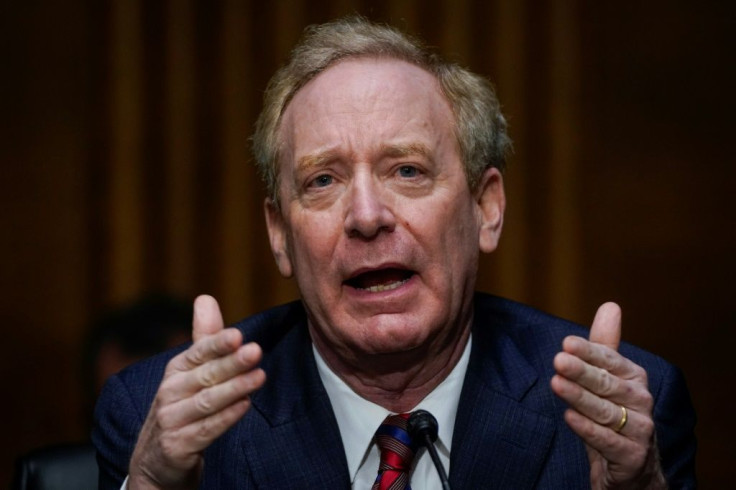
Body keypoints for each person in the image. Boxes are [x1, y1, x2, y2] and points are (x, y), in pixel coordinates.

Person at [93, 17, 696, 489]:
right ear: (279, 234)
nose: (366, 216)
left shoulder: (620, 412)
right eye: (322, 181)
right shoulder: (155, 417)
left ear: (486, 208)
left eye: (406, 170)